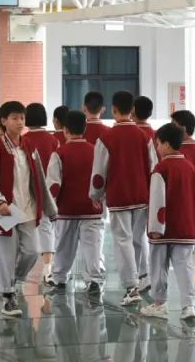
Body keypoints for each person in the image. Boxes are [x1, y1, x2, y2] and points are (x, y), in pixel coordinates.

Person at [0, 101, 45, 318]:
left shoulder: (29, 146)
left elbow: (38, 178)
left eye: (22, 118)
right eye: (15, 118)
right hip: (6, 209)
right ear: (3, 121)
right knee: (5, 254)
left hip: (27, 208)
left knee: (32, 250)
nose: (20, 122)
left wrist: (46, 205)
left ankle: (11, 280)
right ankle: (8, 296)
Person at [91, 91, 155, 306]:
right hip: (142, 195)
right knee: (138, 238)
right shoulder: (144, 136)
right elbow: (153, 167)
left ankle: (131, 286)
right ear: (132, 110)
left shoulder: (106, 138)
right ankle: (143, 276)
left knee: (123, 240)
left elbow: (99, 173)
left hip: (119, 196)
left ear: (113, 109)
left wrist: (96, 195)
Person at [141, 123, 195, 321]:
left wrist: (155, 227)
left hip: (164, 229)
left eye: (158, 144)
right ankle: (189, 305)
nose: (157, 148)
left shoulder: (161, 169)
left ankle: (160, 303)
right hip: (186, 227)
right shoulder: (190, 167)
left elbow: (157, 200)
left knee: (158, 266)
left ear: (167, 144)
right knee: (185, 267)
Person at [45, 110, 104, 292]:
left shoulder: (59, 153)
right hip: (92, 208)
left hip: (66, 209)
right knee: (93, 246)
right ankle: (93, 279)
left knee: (64, 245)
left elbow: (54, 184)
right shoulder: (96, 151)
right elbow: (101, 179)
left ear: (65, 130)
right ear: (84, 128)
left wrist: (50, 207)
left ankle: (59, 277)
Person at [171, 109, 195, 302]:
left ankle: (188, 285)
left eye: (174, 125)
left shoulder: (174, 153)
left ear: (183, 129)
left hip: (177, 206)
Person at [22, 103, 60, 281]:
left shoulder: (23, 140)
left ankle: (21, 267)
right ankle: (48, 268)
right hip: (47, 189)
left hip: (27, 189)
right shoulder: (53, 140)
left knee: (24, 226)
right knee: (46, 227)